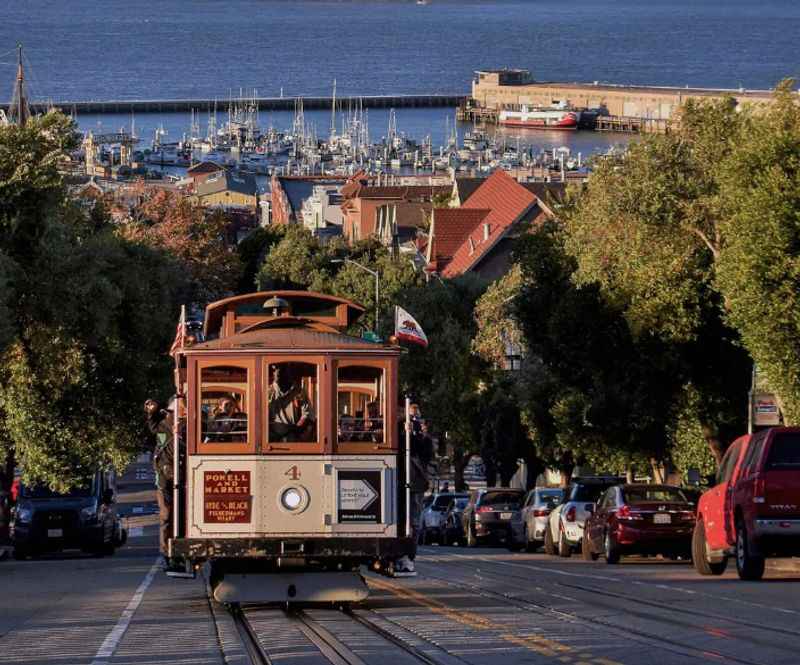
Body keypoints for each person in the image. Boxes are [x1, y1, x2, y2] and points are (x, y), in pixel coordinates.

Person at [144, 398, 177, 569]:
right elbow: (152, 426)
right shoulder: (162, 425)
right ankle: (166, 552)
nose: (179, 414)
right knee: (166, 515)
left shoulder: (190, 425)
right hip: (165, 478)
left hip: (185, 476)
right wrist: (151, 411)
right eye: (174, 411)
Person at [269, 367, 314, 442]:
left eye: (281, 368)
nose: (277, 372)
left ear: (288, 372)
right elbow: (261, 420)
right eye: (274, 369)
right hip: (273, 442)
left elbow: (307, 415)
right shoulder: (268, 392)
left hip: (294, 439)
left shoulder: (299, 392)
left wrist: (295, 430)